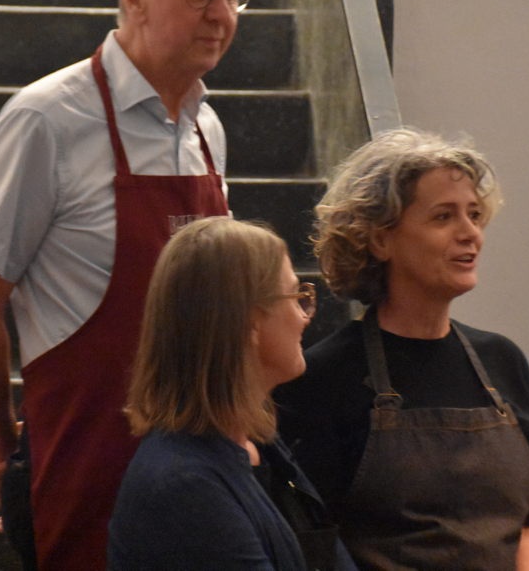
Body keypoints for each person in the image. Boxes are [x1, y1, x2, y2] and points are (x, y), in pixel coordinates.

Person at [0, 0, 246, 570]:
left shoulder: (207, 128)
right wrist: (7, 462)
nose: (221, 13)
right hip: (88, 467)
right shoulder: (46, 120)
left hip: (202, 469)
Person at [275, 128, 529, 570]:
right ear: (379, 239)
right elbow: (315, 545)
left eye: (474, 214)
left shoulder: (503, 361)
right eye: (444, 217)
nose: (470, 233)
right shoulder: (323, 377)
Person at [108, 216, 355, 571]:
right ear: (249, 321)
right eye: (295, 296)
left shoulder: (258, 444)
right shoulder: (185, 488)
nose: (305, 316)